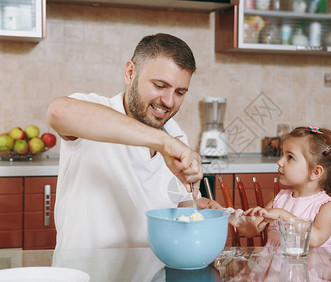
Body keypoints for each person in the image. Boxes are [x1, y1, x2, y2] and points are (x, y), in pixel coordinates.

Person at [47, 33, 221, 249]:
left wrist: (199, 208)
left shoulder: (176, 135)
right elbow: (58, 111)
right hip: (86, 279)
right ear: (130, 73)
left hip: (153, 280)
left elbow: (176, 202)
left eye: (180, 92)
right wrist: (163, 143)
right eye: (159, 86)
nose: (168, 101)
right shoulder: (96, 109)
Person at [237, 126, 331, 248]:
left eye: (290, 157)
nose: (279, 162)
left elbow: (316, 239)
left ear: (315, 172)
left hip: (310, 266)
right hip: (277, 266)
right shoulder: (280, 199)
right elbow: (252, 230)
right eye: (282, 155)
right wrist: (233, 219)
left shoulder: (327, 207)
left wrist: (283, 215)